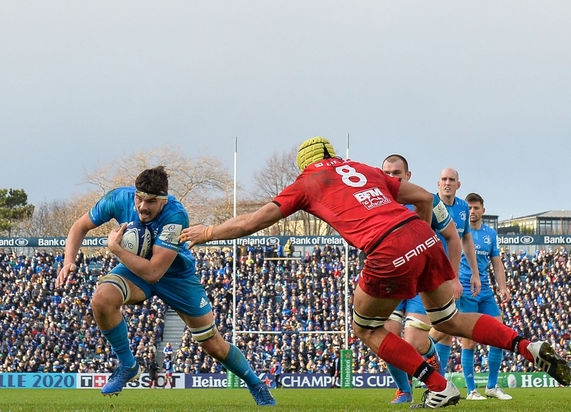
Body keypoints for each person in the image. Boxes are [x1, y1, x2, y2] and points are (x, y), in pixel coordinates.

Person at [179, 137, 571, 409]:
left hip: (387, 248)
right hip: (420, 235)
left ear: (304, 164)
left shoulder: (308, 180)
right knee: (448, 319)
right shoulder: (360, 168)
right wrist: (418, 241)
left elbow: (255, 220)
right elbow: (421, 197)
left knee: (366, 328)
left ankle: (438, 385)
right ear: (332, 153)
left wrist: (210, 231)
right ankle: (528, 348)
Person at [55, 166, 275, 405]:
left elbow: (154, 271)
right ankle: (128, 364)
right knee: (102, 299)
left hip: (176, 277)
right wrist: (68, 262)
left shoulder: (175, 216)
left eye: (150, 202)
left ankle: (256, 384)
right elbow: (79, 226)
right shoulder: (118, 198)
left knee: (214, 345)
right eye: (139, 199)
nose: (142, 207)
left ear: (164, 200)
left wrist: (116, 249)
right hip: (135, 269)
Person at [380, 154, 463, 404]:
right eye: (387, 173)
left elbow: (453, 238)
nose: (392, 177)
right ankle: (404, 391)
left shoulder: (428, 200)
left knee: (414, 342)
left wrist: (453, 277)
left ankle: (437, 377)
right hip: (392, 282)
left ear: (408, 176)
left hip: (422, 284)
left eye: (397, 173)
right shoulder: (376, 203)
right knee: (385, 339)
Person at [454, 193, 512, 401]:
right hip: (466, 293)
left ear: (482, 211)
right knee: (468, 342)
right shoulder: (458, 233)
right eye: (469, 208)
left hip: (486, 292)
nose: (472, 211)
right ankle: (471, 391)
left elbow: (497, 263)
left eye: (476, 208)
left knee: (499, 337)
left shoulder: (490, 234)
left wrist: (502, 287)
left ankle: (492, 386)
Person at [429, 168, 482, 375]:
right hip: (432, 273)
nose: (447, 182)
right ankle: (421, 349)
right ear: (438, 184)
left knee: (448, 328)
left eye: (452, 179)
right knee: (443, 325)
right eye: (444, 179)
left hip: (451, 275)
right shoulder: (430, 204)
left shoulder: (462, 208)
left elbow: (466, 239)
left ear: (458, 185)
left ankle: (438, 378)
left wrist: (475, 273)